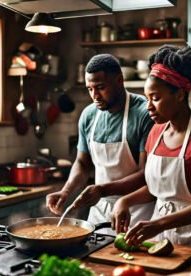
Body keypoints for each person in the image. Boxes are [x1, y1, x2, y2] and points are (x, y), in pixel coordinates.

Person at [111, 45, 191, 258]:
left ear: (179, 95)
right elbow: (156, 189)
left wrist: (158, 224)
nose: (148, 106)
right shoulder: (156, 133)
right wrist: (124, 201)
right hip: (162, 240)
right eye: (146, 98)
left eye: (155, 98)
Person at [46, 54, 154, 235]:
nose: (94, 96)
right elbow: (82, 163)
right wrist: (66, 191)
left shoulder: (145, 113)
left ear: (120, 81)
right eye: (90, 89)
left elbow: (146, 174)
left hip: (137, 211)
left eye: (100, 88)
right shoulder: (88, 115)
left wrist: (102, 189)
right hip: (100, 210)